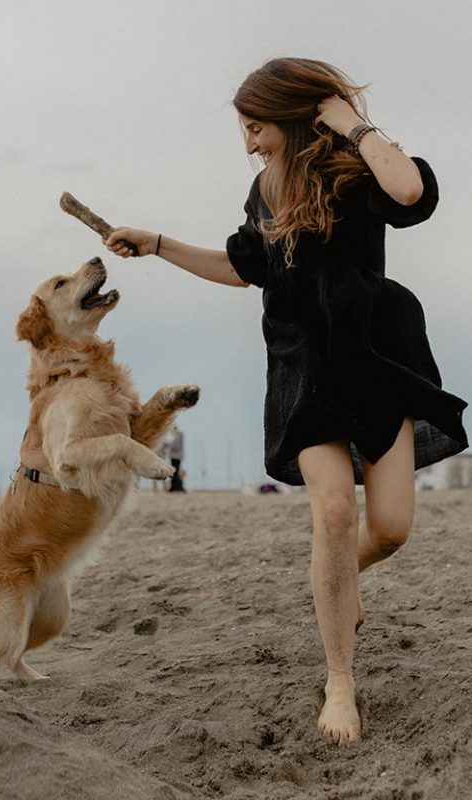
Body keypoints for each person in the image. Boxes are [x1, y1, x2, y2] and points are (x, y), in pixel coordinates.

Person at [103, 57, 468, 748]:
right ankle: (339, 682)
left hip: (373, 359)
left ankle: (331, 581)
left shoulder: (356, 167)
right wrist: (156, 244)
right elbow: (242, 268)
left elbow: (411, 191)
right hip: (302, 367)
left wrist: (350, 123)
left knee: (387, 529)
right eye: (243, 132)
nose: (248, 145)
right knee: (333, 511)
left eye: (256, 128)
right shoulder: (264, 189)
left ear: (296, 114)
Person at [168, 425, 186, 492]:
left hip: (176, 456)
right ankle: (175, 486)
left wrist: (169, 446)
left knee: (175, 471)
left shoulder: (177, 435)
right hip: (176, 456)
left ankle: (175, 487)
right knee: (175, 471)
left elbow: (176, 446)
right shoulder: (177, 435)